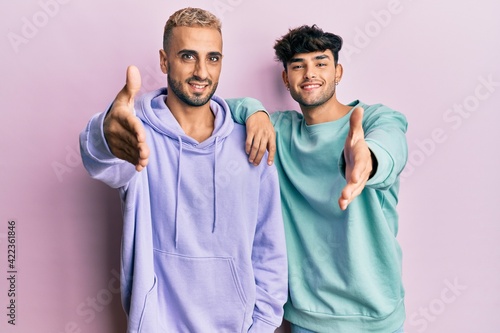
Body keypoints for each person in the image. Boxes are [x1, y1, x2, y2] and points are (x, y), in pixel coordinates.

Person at [79, 7, 288, 333]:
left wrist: (262, 326)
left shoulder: (251, 142)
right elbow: (98, 159)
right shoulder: (138, 135)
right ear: (165, 61)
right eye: (188, 56)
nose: (202, 72)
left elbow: (270, 248)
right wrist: (105, 132)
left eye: (213, 58)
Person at [227, 25, 408, 333]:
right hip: (307, 317)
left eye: (321, 63)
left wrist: (366, 160)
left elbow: (391, 148)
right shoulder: (278, 130)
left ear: (338, 72)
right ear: (286, 79)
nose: (310, 73)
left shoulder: (375, 119)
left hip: (376, 314)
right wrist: (253, 110)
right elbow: (213, 112)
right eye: (298, 65)